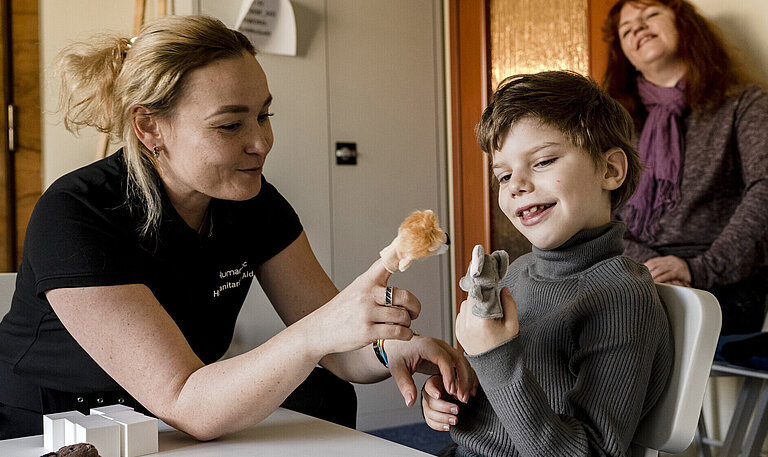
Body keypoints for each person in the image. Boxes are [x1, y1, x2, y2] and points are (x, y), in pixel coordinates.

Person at [0, 15, 474, 440]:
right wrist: (318, 332)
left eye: (264, 115)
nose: (261, 142)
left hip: (166, 420)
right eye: (230, 126)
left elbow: (338, 353)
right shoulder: (77, 213)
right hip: (49, 429)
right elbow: (187, 400)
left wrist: (393, 351)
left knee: (323, 390)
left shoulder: (252, 203)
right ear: (149, 128)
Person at [421, 71, 674, 457]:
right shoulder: (518, 272)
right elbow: (512, 394)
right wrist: (459, 389)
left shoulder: (622, 297)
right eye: (503, 175)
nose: (515, 184)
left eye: (542, 161)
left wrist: (495, 359)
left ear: (610, 170)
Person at [602, 0, 768, 335]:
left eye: (651, 15)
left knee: (612, 324)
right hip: (633, 275)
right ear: (624, 54)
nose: (639, 29)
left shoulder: (744, 104)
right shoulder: (613, 125)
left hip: (724, 285)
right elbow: (599, 211)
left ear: (685, 26)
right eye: (627, 30)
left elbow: (765, 191)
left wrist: (696, 269)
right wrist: (647, 267)